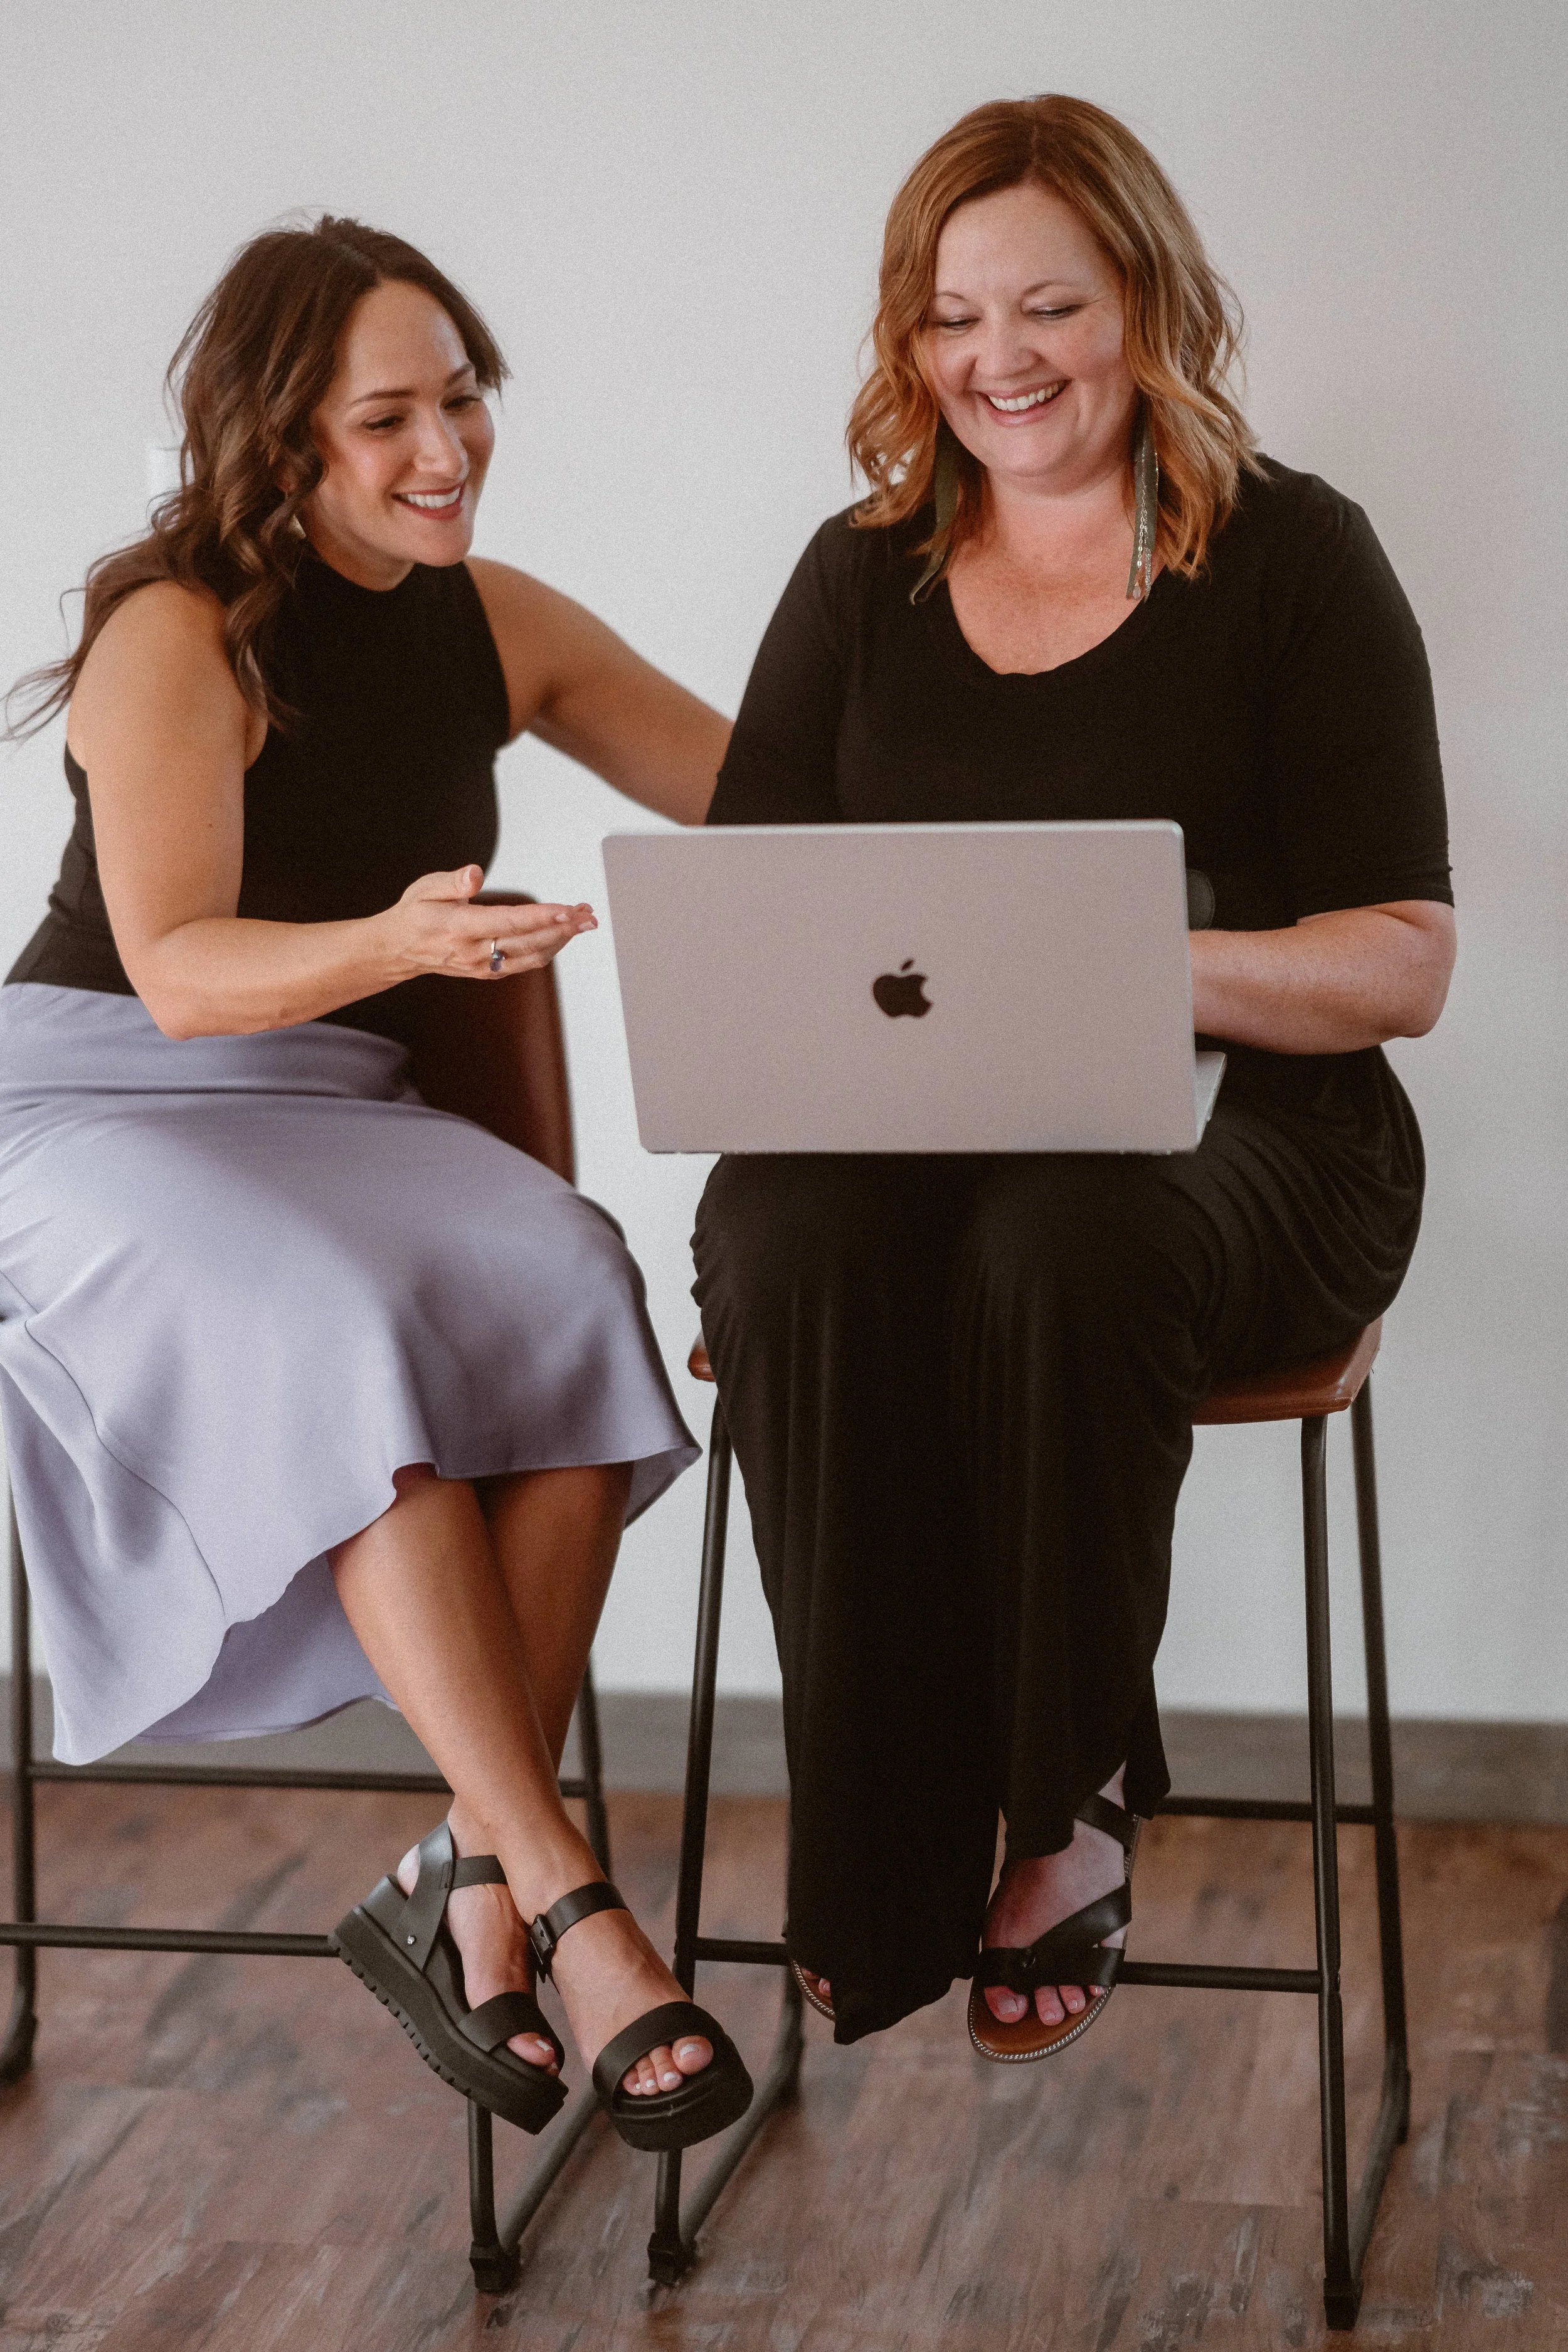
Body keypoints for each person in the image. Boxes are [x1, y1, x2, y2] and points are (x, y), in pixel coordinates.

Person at [691, 95, 1456, 2060]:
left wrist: (1130, 967)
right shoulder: (857, 576)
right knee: (782, 1246)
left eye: (1048, 302)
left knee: (1065, 1237)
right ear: (907, 338)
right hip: (909, 1138)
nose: (999, 360)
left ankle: (1064, 1806)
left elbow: (1401, 958)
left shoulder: (1294, 555)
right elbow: (753, 915)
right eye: (953, 318)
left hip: (1248, 1140)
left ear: (1146, 299)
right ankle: (873, 1848)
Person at [0, 218, 751, 2150]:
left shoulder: (496, 617)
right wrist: (402, 943)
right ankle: (561, 1901)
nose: (445, 450)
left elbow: (762, 788)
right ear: (283, 438)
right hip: (104, 1103)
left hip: (339, 1101)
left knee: (572, 1278)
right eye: (387, 418)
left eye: (463, 397)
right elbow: (177, 968)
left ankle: (467, 1881)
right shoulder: (176, 629)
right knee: (336, 1328)